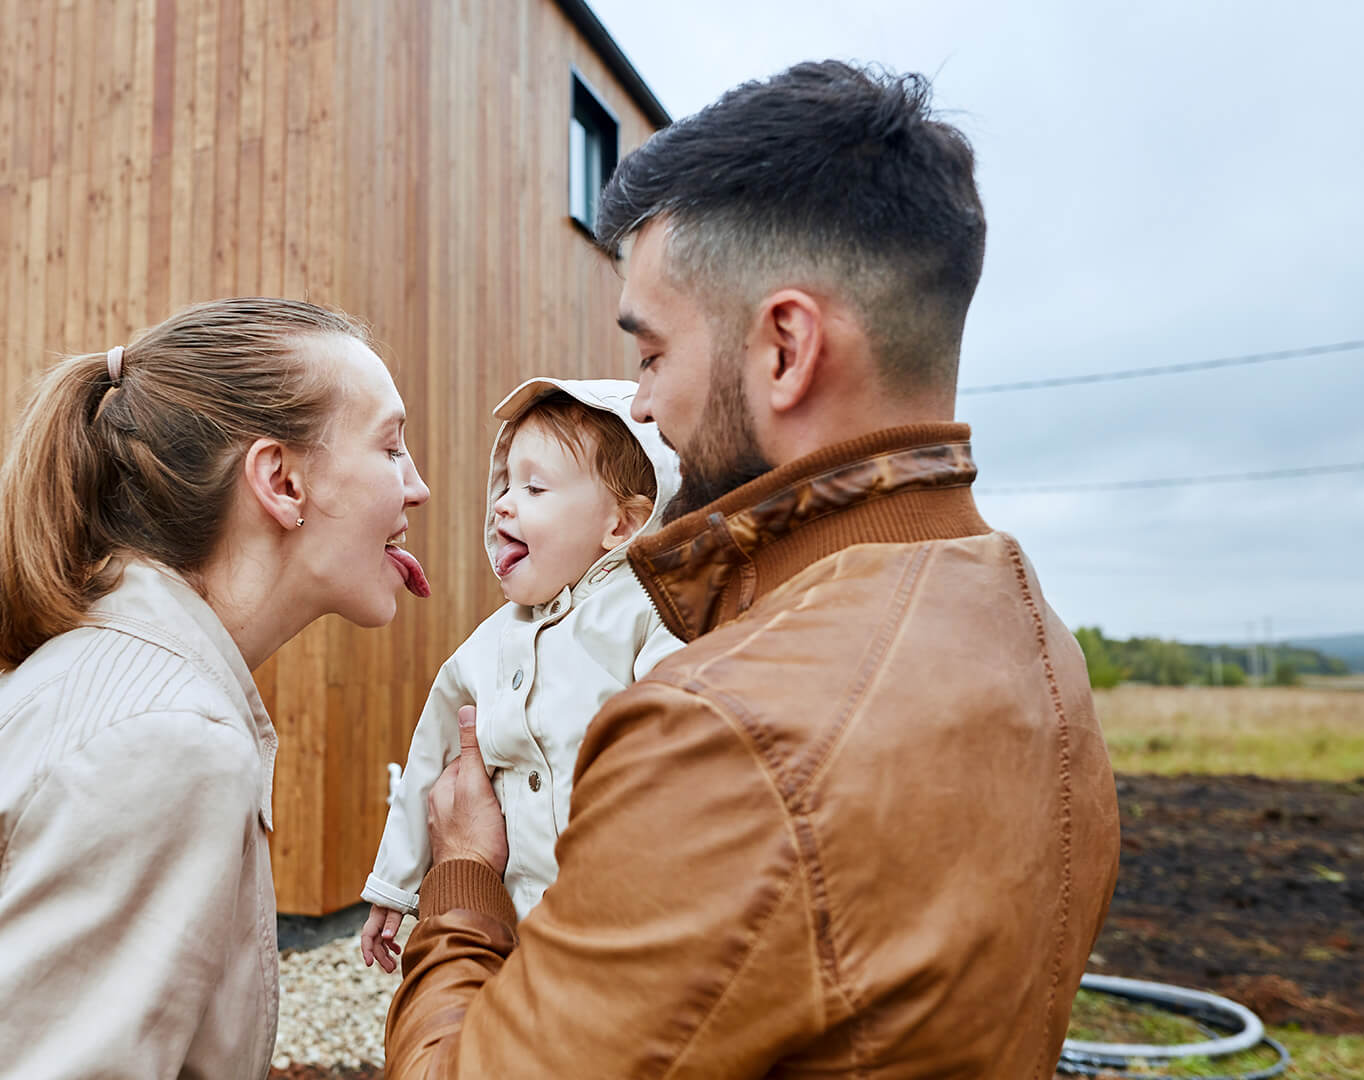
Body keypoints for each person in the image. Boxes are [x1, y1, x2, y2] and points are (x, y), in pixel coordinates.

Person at [383, 62, 1121, 1078]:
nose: (642, 408)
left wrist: (463, 880)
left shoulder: (727, 730)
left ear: (785, 348)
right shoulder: (1035, 638)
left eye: (650, 356)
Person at [0, 298, 431, 1080]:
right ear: (283, 482)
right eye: (392, 448)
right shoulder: (166, 741)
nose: (419, 487)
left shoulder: (90, 682)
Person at [356, 378, 683, 970]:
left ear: (621, 525)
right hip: (514, 934)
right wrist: (395, 885)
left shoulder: (652, 611)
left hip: (631, 931)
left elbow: (689, 732)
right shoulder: (490, 642)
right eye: (505, 484)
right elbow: (432, 761)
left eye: (534, 487)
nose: (504, 502)